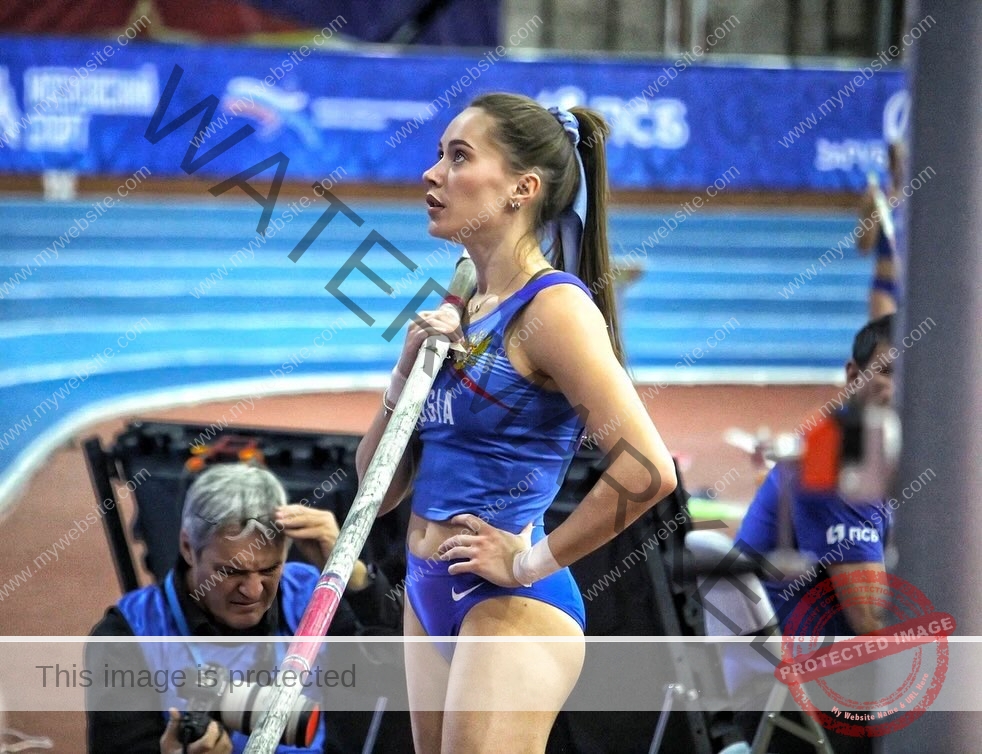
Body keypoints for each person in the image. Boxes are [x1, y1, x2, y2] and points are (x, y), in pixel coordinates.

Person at [355, 92, 678, 754]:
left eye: (458, 157)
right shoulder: (463, 308)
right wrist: (403, 376)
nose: (432, 173)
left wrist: (530, 561)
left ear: (521, 190)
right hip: (427, 591)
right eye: (439, 155)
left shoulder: (552, 309)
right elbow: (377, 494)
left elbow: (649, 470)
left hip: (509, 603)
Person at [85, 463, 404, 754]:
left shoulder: (310, 593)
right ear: (187, 547)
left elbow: (394, 668)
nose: (252, 591)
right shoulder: (127, 636)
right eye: (230, 572)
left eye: (268, 570)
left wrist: (354, 575)